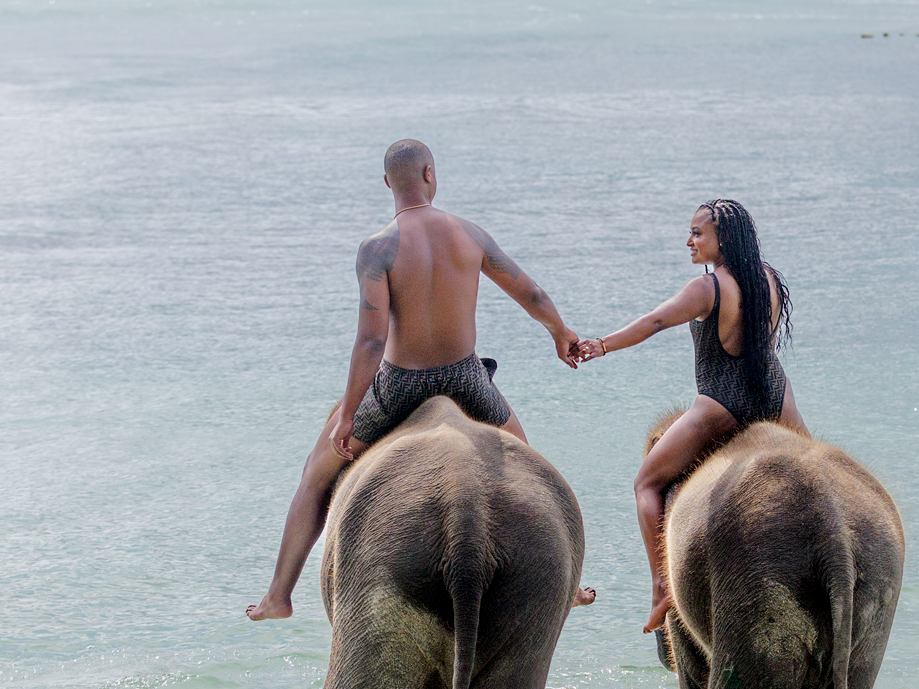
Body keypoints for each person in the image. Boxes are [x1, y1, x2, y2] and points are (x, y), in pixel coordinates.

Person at [246, 139, 595, 621]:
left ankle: (279, 595)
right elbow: (530, 291)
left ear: (389, 182)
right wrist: (561, 332)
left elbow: (370, 341)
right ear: (431, 174)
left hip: (402, 383)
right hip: (468, 379)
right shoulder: (469, 234)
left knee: (315, 473)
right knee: (530, 463)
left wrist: (347, 415)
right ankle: (570, 582)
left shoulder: (378, 248)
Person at [575, 199, 804, 632]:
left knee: (646, 481)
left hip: (722, 403)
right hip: (776, 396)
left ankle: (662, 586)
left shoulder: (709, 288)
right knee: (816, 467)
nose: (689, 241)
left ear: (723, 237)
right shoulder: (768, 277)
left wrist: (601, 344)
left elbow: (657, 321)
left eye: (698, 233)